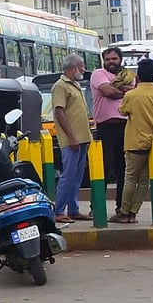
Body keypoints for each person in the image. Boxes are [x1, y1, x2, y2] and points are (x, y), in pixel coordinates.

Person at [114, 59, 153, 223]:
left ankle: (124, 212)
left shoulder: (131, 95)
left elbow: (122, 111)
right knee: (144, 181)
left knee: (130, 179)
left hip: (135, 142)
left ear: (138, 76)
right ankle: (133, 212)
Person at [90, 47, 134, 215]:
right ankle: (97, 208)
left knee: (124, 169)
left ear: (120, 60)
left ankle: (121, 208)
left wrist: (121, 90)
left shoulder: (129, 76)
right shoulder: (99, 74)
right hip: (105, 128)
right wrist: (126, 91)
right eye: (108, 59)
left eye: (114, 59)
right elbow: (107, 91)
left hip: (126, 127)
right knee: (103, 168)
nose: (111, 62)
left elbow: (134, 94)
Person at [52, 54, 92, 224]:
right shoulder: (60, 86)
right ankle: (59, 211)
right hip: (72, 140)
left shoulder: (75, 85)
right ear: (72, 68)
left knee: (77, 176)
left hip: (83, 138)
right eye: (81, 66)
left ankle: (73, 210)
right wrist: (72, 137)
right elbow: (59, 112)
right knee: (68, 175)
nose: (83, 69)